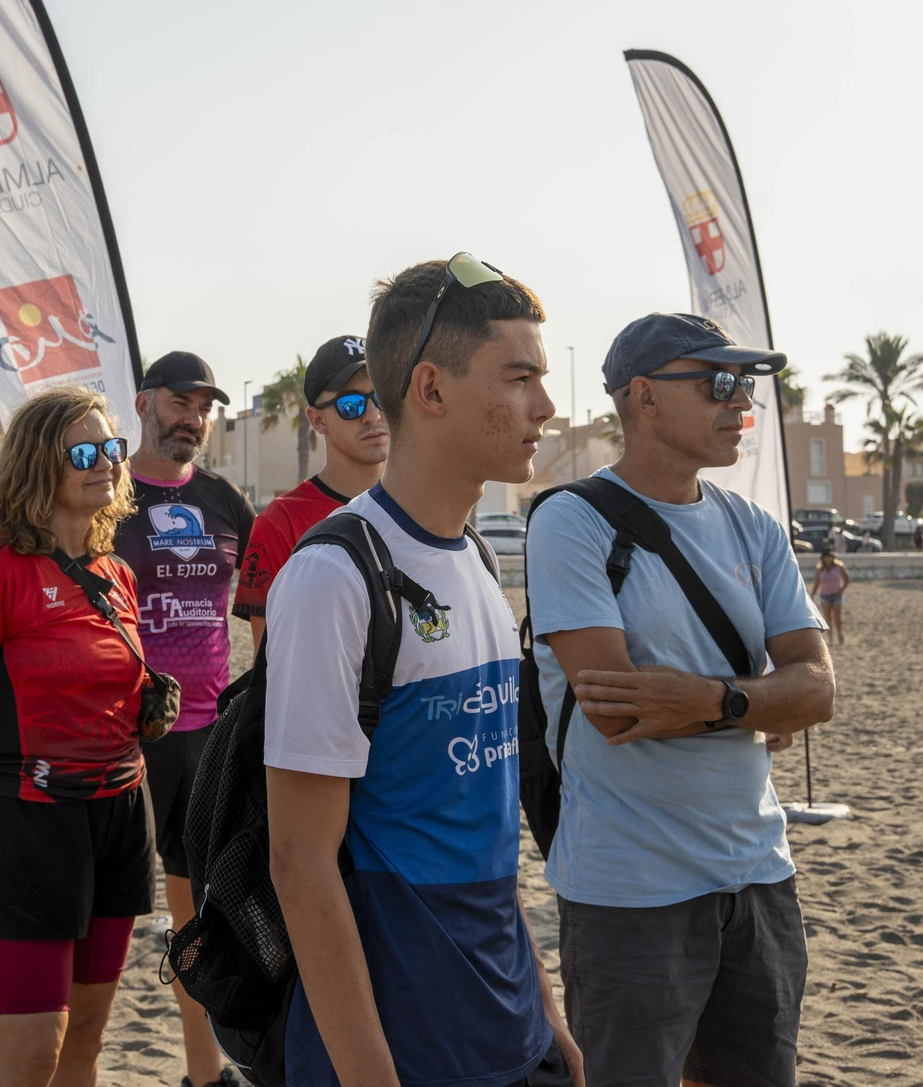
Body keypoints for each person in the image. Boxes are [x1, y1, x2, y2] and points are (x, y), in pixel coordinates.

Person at [265, 254, 580, 1085]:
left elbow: (482, 827)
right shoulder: (337, 576)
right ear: (431, 390)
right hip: (398, 1050)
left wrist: (544, 1013)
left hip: (505, 1029)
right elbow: (299, 861)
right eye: (519, 377)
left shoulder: (474, 555)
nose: (545, 406)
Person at [526, 312, 837, 1087]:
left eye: (746, 388)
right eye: (719, 382)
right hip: (631, 888)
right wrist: (763, 704)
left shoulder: (754, 527)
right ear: (645, 397)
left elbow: (819, 686)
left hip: (760, 873)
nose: (742, 404)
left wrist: (713, 700)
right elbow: (620, 708)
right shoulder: (571, 519)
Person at [0, 387, 155, 1087]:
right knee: (30, 1058)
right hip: (27, 822)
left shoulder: (117, 575)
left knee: (84, 1043)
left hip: (117, 813)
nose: (104, 463)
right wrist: (21, 783)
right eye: (82, 451)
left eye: (112, 448)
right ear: (34, 465)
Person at [112, 352, 254, 1087]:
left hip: (209, 734)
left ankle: (204, 1072)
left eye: (203, 406)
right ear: (143, 404)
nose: (192, 417)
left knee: (200, 910)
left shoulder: (227, 501)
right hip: (125, 733)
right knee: (107, 915)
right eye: (179, 401)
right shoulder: (108, 495)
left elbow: (267, 609)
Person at [233, 334, 389, 646]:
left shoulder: (420, 507)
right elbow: (269, 667)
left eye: (381, 397)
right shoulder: (280, 522)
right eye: (350, 404)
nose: (372, 415)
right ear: (317, 420)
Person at [811, 549, 850, 647]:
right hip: (825, 595)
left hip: (836, 595)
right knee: (827, 618)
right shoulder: (820, 569)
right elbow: (817, 583)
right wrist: (812, 594)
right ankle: (830, 638)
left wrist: (841, 589)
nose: (827, 559)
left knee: (837, 618)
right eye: (826, 557)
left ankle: (840, 633)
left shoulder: (838, 567)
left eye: (829, 557)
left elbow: (847, 578)